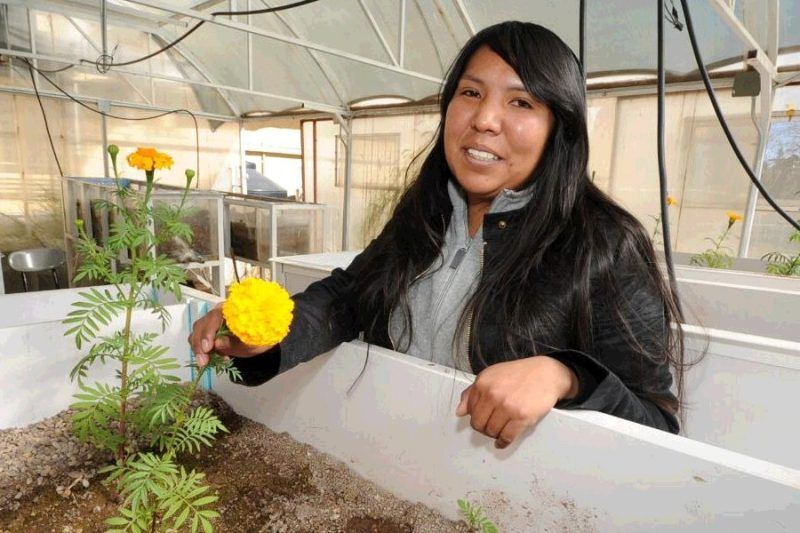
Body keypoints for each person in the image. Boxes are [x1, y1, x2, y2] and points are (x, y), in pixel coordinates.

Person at [190, 21, 684, 448]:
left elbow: (656, 422)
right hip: (398, 460)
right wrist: (267, 336)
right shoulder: (427, 211)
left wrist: (566, 376)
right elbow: (349, 296)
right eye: (471, 93)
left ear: (560, 126)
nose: (484, 120)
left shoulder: (604, 244)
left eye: (521, 102)